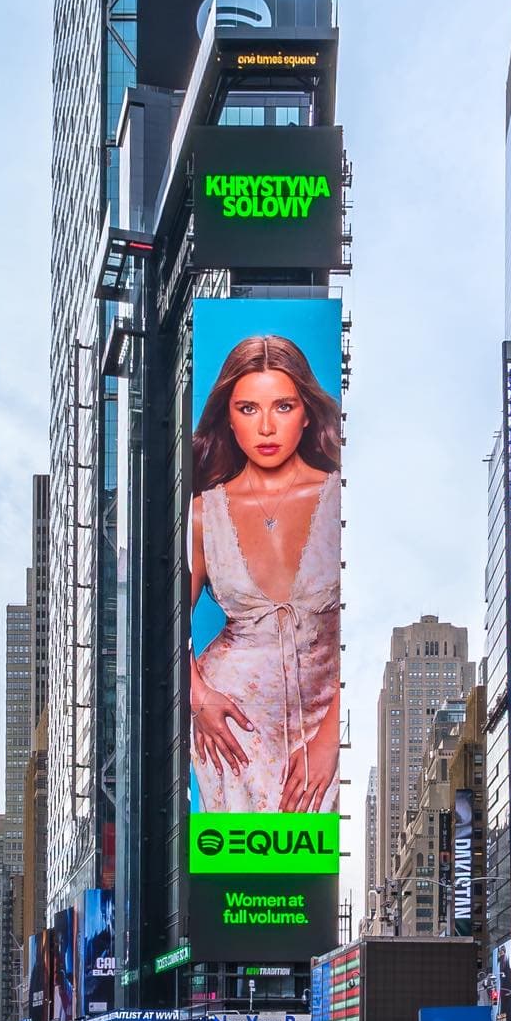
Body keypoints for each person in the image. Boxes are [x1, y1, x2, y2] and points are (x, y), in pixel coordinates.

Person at [188, 332, 344, 813]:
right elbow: (159, 624)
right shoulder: (203, 514)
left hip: (327, 722)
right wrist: (200, 698)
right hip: (232, 732)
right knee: (242, 880)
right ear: (228, 419)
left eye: (283, 406)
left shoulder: (344, 498)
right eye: (248, 409)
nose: (267, 428)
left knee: (315, 873)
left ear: (307, 413)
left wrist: (329, 741)